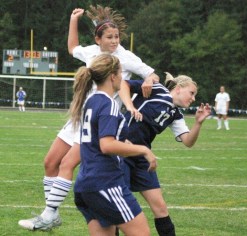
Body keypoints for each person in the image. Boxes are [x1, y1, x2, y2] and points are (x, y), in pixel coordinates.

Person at [18, 5, 159, 231]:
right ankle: (51, 213)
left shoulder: (126, 57)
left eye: (117, 37)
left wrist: (149, 80)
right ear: (98, 39)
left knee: (67, 163)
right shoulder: (92, 52)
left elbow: (151, 72)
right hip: (81, 115)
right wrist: (73, 20)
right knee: (50, 162)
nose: (114, 41)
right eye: (110, 37)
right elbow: (72, 47)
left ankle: (49, 214)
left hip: (99, 121)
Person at [72, 54, 157, 236]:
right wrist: (143, 149)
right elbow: (107, 145)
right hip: (105, 182)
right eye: (121, 73)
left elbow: (104, 141)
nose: (123, 78)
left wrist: (128, 146)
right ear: (113, 76)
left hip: (85, 184)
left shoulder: (92, 101)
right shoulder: (108, 104)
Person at [120, 72, 211, 236]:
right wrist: (130, 106)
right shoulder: (156, 89)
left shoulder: (176, 114)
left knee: (160, 208)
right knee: (120, 205)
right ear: (178, 88)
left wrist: (198, 122)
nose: (193, 99)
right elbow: (123, 84)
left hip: (142, 157)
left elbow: (188, 141)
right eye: (191, 93)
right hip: (121, 149)